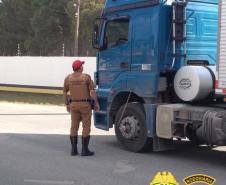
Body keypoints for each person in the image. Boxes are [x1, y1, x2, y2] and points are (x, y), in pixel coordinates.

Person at [63, 59, 100, 156]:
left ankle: (74, 150)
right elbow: (92, 92)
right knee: (86, 127)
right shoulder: (86, 77)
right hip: (85, 105)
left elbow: (65, 92)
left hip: (73, 105)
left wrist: (67, 104)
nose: (83, 67)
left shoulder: (68, 78)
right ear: (80, 68)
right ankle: (84, 150)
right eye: (82, 65)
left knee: (74, 127)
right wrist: (96, 103)